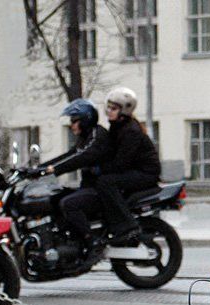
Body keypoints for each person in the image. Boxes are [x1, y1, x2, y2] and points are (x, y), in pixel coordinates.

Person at [41, 98, 111, 258]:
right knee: (57, 198)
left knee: (69, 204)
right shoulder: (85, 138)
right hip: (89, 186)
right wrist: (39, 168)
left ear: (86, 119)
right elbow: (69, 155)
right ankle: (67, 239)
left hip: (100, 189)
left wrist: (55, 169)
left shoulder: (97, 136)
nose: (72, 124)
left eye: (75, 121)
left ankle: (90, 242)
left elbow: (82, 157)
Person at [93, 87, 161, 244]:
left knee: (106, 182)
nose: (109, 111)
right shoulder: (118, 127)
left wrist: (99, 169)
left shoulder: (130, 131)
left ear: (124, 110)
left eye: (114, 108)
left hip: (146, 173)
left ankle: (127, 225)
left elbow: (121, 163)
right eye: (108, 107)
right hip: (136, 171)